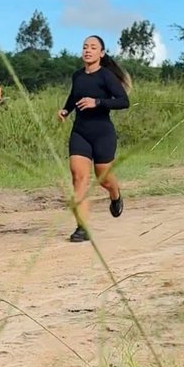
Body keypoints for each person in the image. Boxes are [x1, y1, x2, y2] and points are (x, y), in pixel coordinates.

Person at [57, 35, 131, 242]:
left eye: (93, 47)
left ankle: (115, 194)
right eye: (85, 47)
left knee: (103, 178)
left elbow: (124, 102)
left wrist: (97, 102)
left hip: (102, 134)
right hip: (80, 132)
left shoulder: (106, 76)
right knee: (79, 177)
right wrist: (65, 110)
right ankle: (82, 227)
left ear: (101, 53)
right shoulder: (77, 75)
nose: (88, 50)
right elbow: (74, 96)